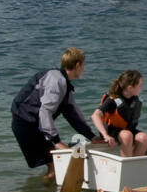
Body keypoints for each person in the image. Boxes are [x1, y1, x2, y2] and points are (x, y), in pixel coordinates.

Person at [11, 47, 97, 181]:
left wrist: (91, 136)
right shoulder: (56, 81)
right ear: (78, 65)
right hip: (25, 124)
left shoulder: (63, 83)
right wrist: (57, 141)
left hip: (36, 125)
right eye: (84, 65)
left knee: (55, 166)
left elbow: (73, 114)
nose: (84, 68)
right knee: (55, 166)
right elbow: (45, 112)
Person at [92, 70, 147, 157]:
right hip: (111, 131)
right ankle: (127, 165)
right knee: (127, 136)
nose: (141, 88)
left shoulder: (134, 99)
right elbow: (95, 115)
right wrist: (105, 135)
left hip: (127, 130)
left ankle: (135, 165)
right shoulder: (113, 100)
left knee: (143, 137)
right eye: (139, 85)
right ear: (130, 88)